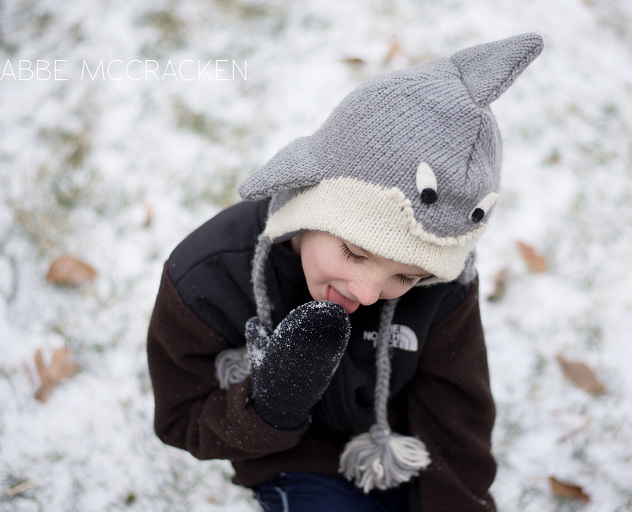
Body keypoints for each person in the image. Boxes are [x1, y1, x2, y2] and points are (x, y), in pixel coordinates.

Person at [147, 33, 543, 512]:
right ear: (311, 196)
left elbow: (456, 417)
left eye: (407, 277)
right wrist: (270, 402)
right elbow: (180, 420)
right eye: (355, 253)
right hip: (295, 461)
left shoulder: (445, 287)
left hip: (402, 452)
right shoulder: (207, 277)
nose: (369, 292)